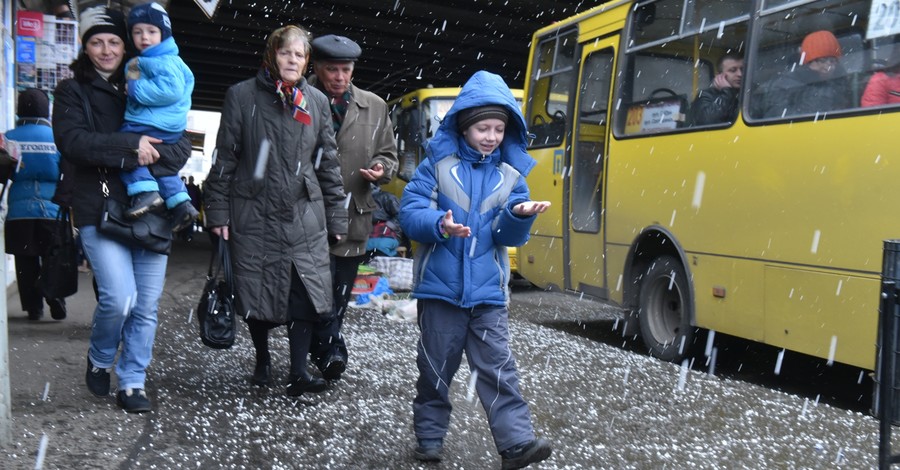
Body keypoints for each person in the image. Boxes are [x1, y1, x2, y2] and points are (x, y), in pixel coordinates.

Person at [399, 70, 552, 469]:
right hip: (440, 294)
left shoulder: (511, 175)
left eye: (499, 129)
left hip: (488, 296)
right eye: (483, 127)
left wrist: (519, 215)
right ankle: (429, 439)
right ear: (465, 125)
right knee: (435, 371)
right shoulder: (437, 165)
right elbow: (410, 213)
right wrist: (439, 225)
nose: (491, 136)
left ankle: (516, 445)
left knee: (500, 371)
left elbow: (508, 236)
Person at [52, 5, 192, 413]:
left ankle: (132, 381)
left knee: (146, 305)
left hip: (151, 209)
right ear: (85, 46)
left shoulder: (146, 75)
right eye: (96, 42)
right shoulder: (71, 90)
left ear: (126, 42)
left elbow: (180, 146)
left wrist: (156, 153)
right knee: (119, 297)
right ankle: (99, 356)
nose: (106, 50)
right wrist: (132, 148)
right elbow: (73, 143)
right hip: (99, 206)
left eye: (114, 41)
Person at [203, 25, 348, 397]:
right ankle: (262, 358)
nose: (293, 61)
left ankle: (298, 371)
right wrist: (217, 213)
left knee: (303, 292)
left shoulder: (315, 101)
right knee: (260, 292)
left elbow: (327, 163)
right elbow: (225, 160)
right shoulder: (242, 96)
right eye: (286, 53)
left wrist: (336, 216)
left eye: (300, 55)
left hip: (303, 212)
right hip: (254, 210)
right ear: (272, 55)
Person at [307, 34, 398, 381]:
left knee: (339, 293)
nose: (340, 77)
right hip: (307, 213)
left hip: (352, 214)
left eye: (346, 69)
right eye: (332, 69)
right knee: (308, 289)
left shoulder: (375, 106)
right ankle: (325, 350)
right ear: (316, 67)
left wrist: (380, 169)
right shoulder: (298, 97)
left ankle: (327, 350)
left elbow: (388, 155)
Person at [117, 2, 198, 231]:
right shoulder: (144, 59)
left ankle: (145, 192)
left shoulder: (164, 60)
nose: (144, 37)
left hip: (154, 123)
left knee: (126, 146)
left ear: (163, 34)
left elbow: (170, 90)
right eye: (137, 31)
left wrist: (134, 90)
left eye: (152, 31)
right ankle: (181, 204)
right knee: (160, 167)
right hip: (160, 123)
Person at [1, 88, 67, 321]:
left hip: (19, 212)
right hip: (53, 210)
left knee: (25, 260)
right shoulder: (58, 138)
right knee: (53, 256)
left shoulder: (8, 138)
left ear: (20, 110)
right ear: (46, 111)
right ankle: (55, 296)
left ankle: (33, 308)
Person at [756, 30, 851, 118]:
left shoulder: (839, 84)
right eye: (821, 61)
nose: (828, 67)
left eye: (832, 61)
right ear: (807, 62)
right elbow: (779, 118)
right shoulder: (785, 86)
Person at [689, 52, 743, 126]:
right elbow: (707, 121)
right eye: (733, 70)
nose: (740, 74)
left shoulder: (749, 93)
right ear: (719, 76)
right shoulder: (706, 95)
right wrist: (727, 92)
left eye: (742, 70)